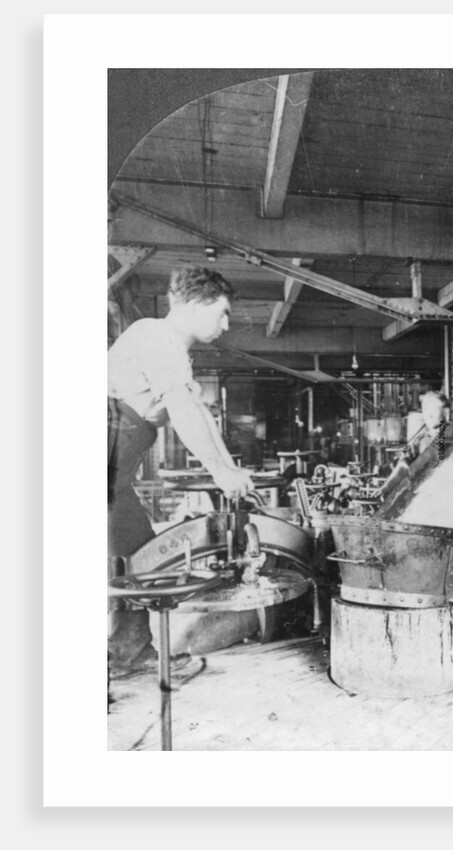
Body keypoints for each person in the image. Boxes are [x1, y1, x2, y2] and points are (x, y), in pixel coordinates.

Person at [108, 265, 254, 673]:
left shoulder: (171, 349)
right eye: (222, 313)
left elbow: (201, 415)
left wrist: (229, 470)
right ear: (193, 305)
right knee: (116, 560)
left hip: (113, 469)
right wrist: (221, 474)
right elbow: (183, 410)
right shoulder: (157, 336)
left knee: (134, 551)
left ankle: (130, 655)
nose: (226, 325)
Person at [379, 391, 450, 495]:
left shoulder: (446, 435)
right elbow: (405, 463)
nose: (427, 416)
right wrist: (386, 488)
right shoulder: (423, 437)